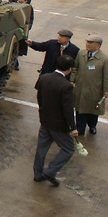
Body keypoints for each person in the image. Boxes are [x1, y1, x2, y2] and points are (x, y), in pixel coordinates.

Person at [33, 54, 78, 187]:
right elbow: (68, 110)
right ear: (69, 69)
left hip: (45, 120)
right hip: (58, 125)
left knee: (42, 148)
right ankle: (51, 171)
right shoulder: (66, 86)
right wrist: (73, 128)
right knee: (68, 148)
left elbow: (39, 97)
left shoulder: (44, 77)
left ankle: (38, 173)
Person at [72, 34, 108, 136]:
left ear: (98, 45)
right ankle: (80, 129)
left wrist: (107, 89)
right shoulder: (81, 53)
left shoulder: (105, 59)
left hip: (95, 90)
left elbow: (107, 76)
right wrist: (72, 80)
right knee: (80, 109)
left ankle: (92, 126)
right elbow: (75, 68)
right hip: (80, 88)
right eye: (87, 42)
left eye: (90, 43)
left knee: (93, 110)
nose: (87, 44)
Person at [9, 0, 33, 70]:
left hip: (22, 28)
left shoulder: (28, 4)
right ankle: (15, 63)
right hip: (13, 27)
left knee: (19, 45)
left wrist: (28, 27)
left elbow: (30, 17)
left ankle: (16, 62)